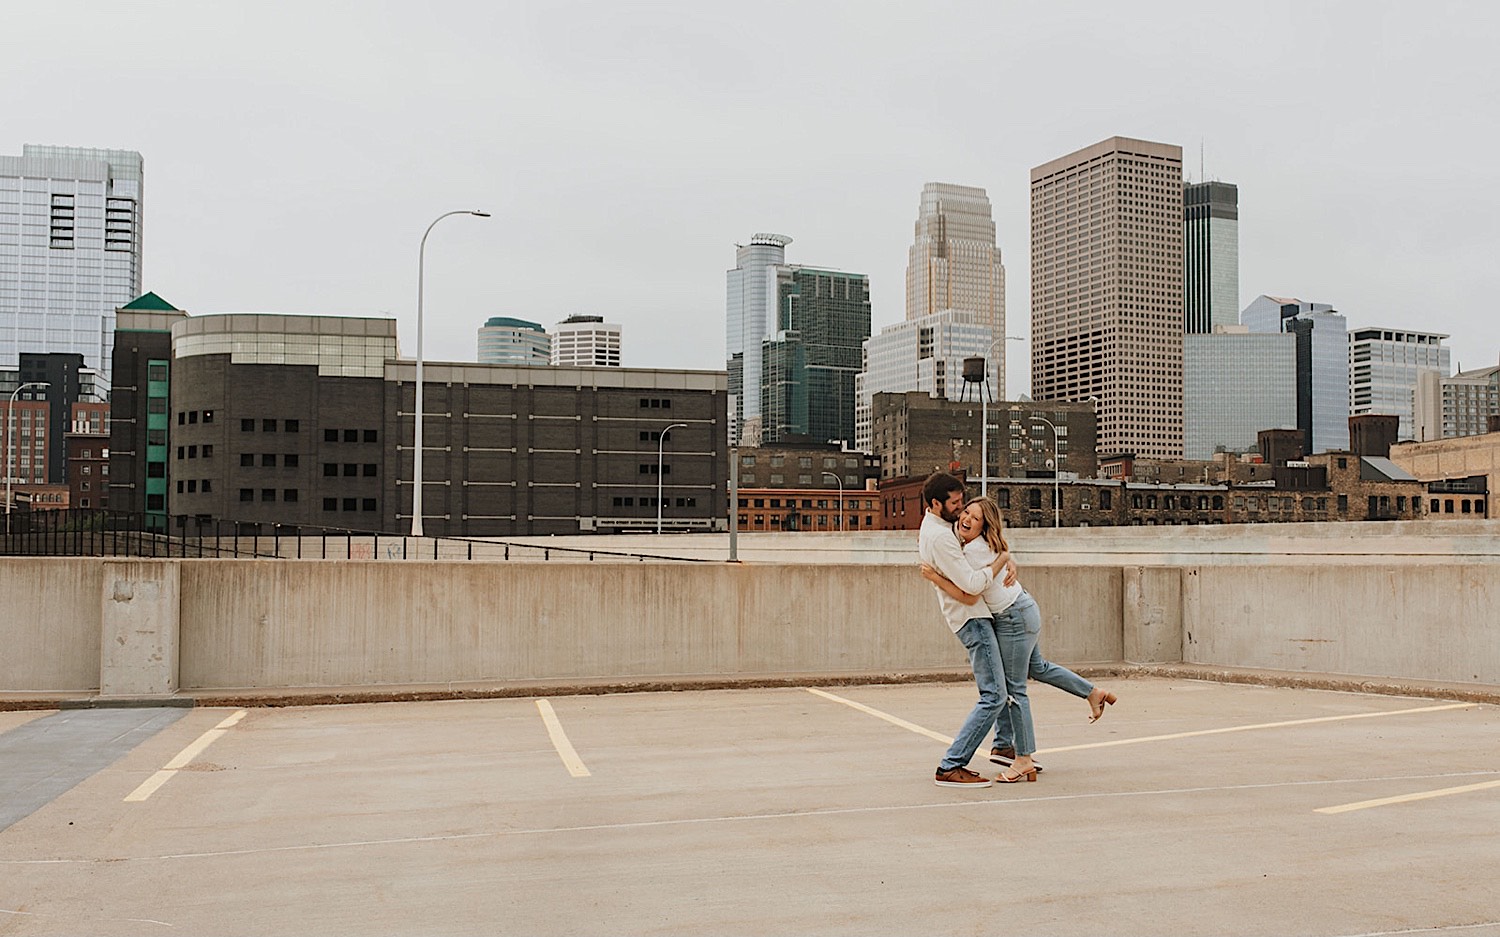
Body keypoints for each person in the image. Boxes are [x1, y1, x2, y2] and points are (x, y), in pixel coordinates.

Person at [922, 497, 1118, 782]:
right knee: (1037, 667)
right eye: (965, 512)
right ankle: (1091, 692)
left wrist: (934, 577)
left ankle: (1023, 757)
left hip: (1014, 617)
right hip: (1021, 610)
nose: (966, 519)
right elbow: (990, 550)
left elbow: (971, 593)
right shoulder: (976, 544)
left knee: (1014, 690)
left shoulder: (973, 552)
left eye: (975, 518)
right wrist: (1006, 555)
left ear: (984, 526)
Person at [917, 472, 1017, 788]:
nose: (962, 510)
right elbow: (972, 586)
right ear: (936, 503)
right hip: (971, 619)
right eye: (956, 503)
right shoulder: (941, 538)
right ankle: (952, 764)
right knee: (995, 694)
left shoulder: (937, 525)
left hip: (974, 615)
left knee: (1000, 688)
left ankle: (1003, 746)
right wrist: (1003, 558)